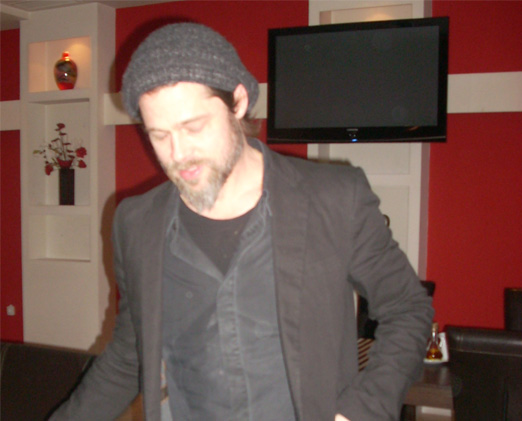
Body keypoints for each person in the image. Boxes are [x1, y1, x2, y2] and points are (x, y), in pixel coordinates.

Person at [51, 23, 433, 421]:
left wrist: (361, 411)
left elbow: (408, 309)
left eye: (193, 127)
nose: (178, 154)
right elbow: (130, 354)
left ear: (238, 102)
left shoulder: (333, 199)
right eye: (159, 135)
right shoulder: (136, 224)